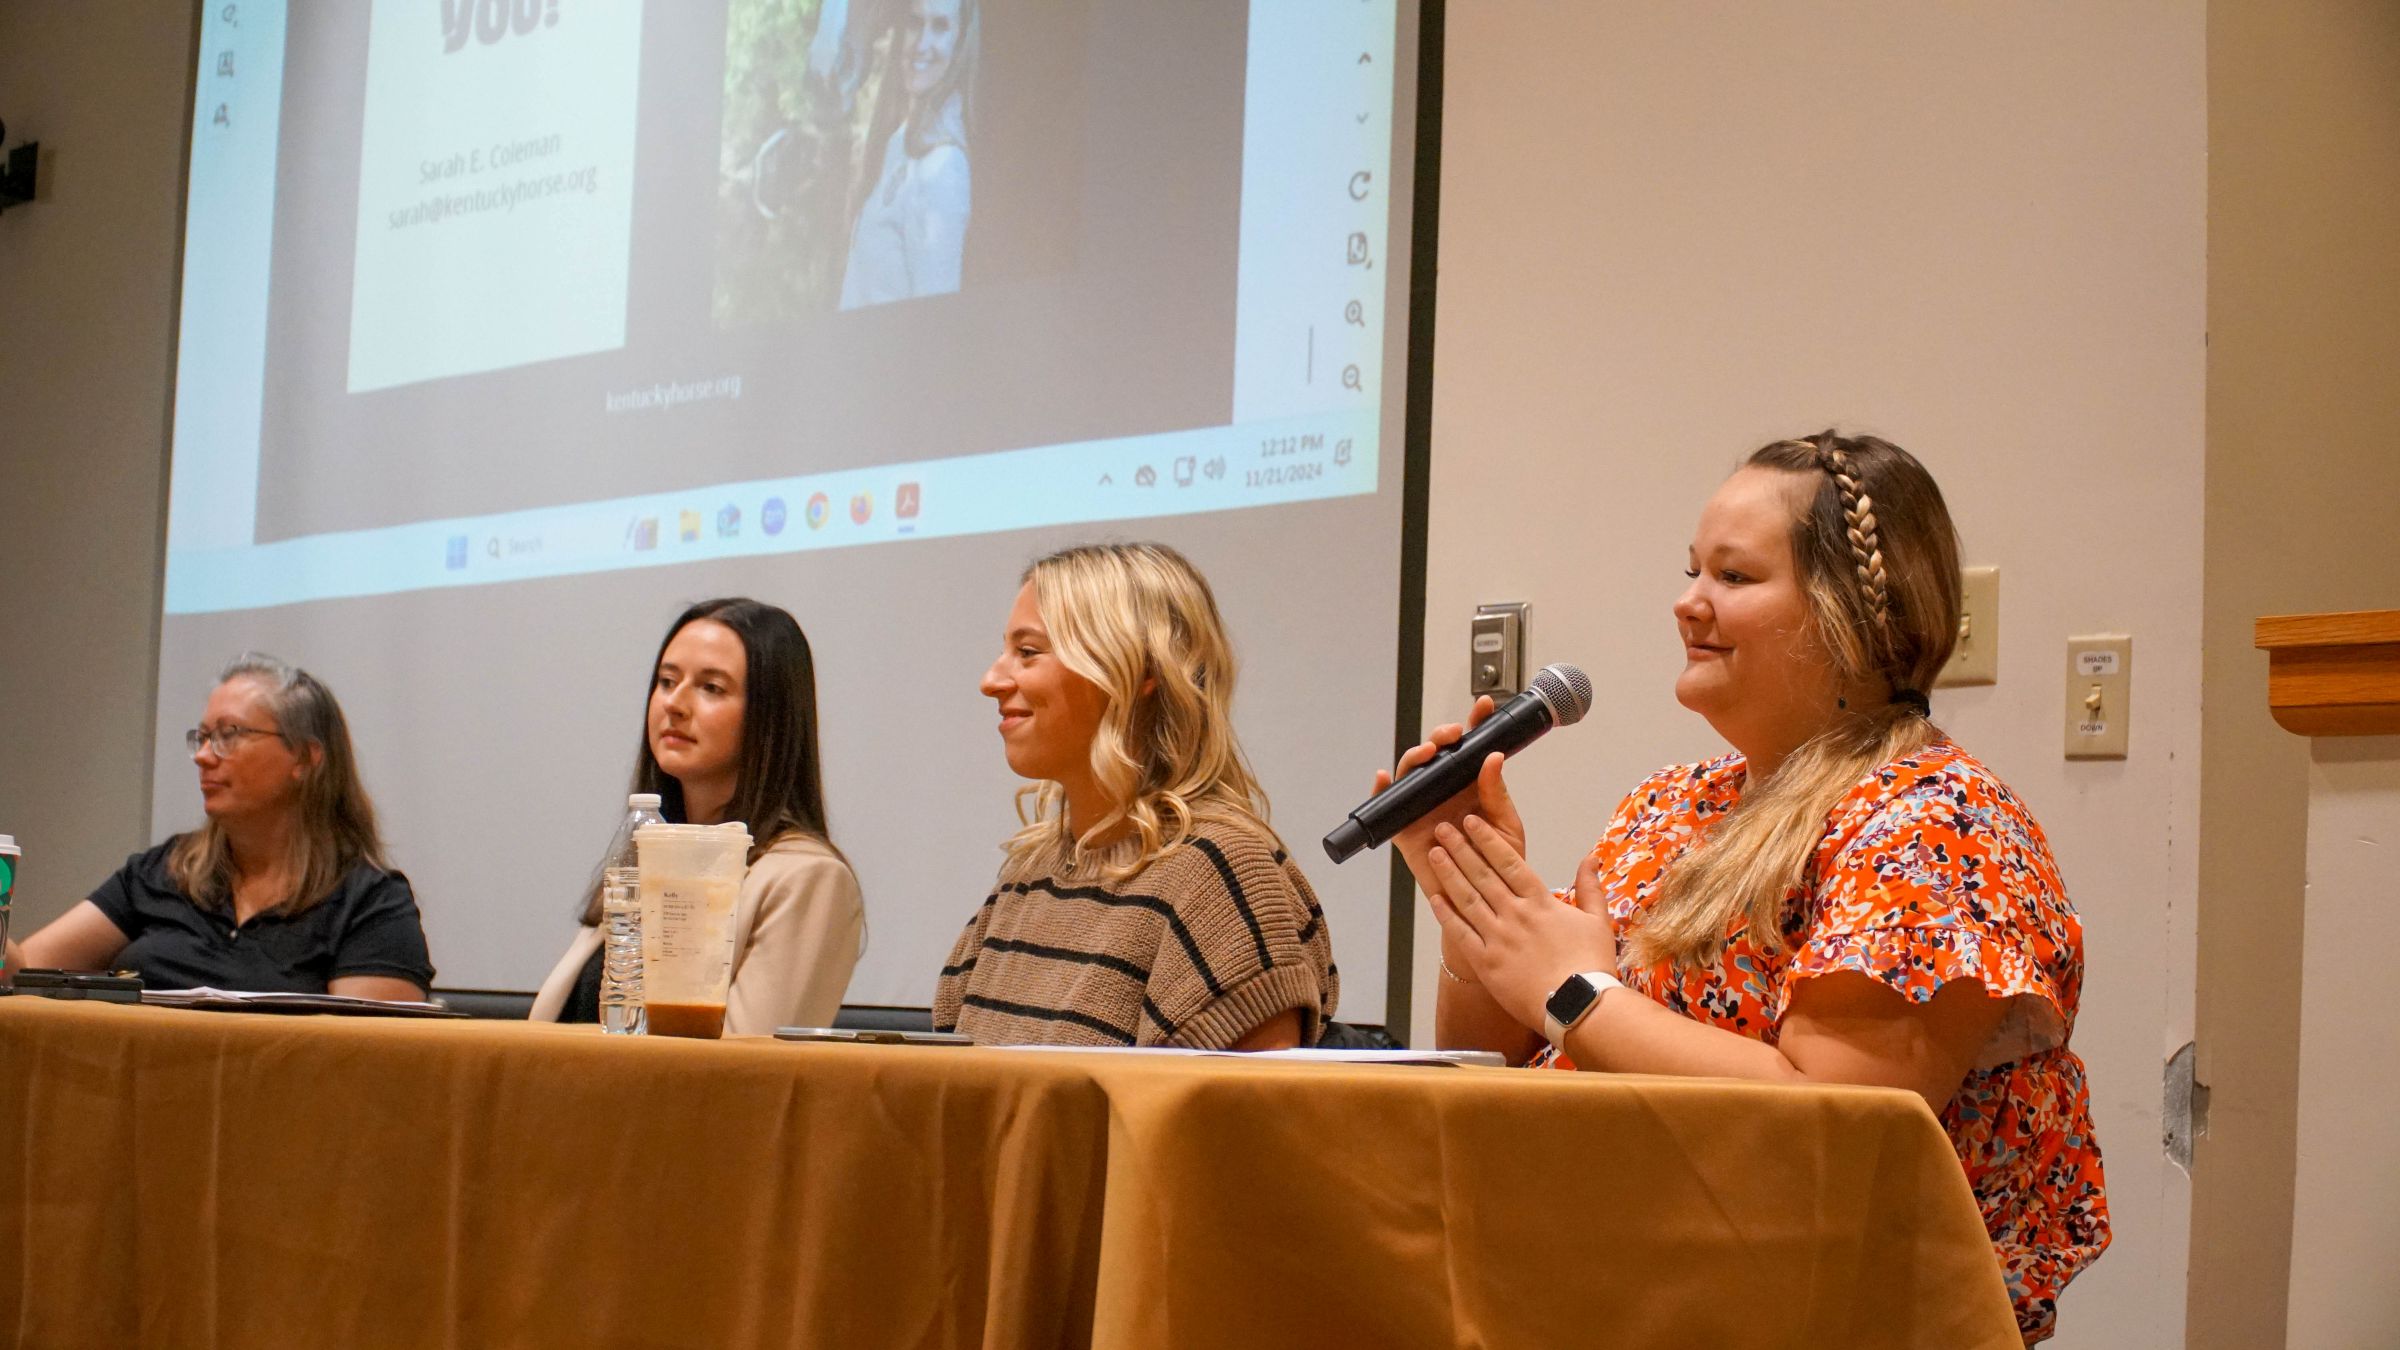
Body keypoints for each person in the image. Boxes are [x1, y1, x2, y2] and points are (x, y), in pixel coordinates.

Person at [1385, 432, 2107, 1343]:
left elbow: (1840, 1119)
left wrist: (1577, 994)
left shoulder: (1936, 822)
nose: (1688, 604)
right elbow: (1501, 1061)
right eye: (1694, 571)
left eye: (1733, 577)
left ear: (1853, 616)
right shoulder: (1668, 806)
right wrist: (1473, 904)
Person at [933, 543, 1337, 1049]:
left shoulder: (1222, 878)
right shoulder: (1027, 877)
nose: (991, 681)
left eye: (1028, 652)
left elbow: (1246, 1122)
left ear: (1140, 669)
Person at [1, 653, 432, 999]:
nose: (204, 756)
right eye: (202, 737)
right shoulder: (162, 871)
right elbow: (22, 978)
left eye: (229, 734)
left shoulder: (368, 903)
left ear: (304, 758)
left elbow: (373, 1066)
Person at [531, 599, 863, 1035]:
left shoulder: (805, 879)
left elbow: (744, 1074)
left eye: (711, 688)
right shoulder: (644, 855)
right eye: (667, 681)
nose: (676, 703)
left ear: (770, 718)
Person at [837, 0, 976, 309]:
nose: (921, 44)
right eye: (915, 23)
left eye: (940, 27)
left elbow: (931, 324)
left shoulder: (945, 168)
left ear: (961, 41)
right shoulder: (897, 142)